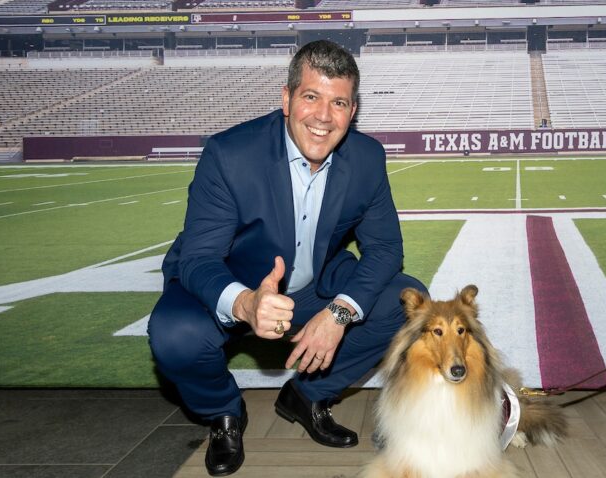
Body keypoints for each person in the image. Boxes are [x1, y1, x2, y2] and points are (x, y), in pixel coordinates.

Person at [147, 40, 426, 476]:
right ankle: (224, 413)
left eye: (338, 102)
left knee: (405, 300)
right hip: (231, 279)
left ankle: (307, 396)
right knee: (174, 335)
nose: (323, 116)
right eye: (311, 97)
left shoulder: (367, 158)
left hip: (313, 286)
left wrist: (339, 312)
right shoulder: (230, 154)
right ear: (286, 99)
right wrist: (246, 303)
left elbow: (386, 248)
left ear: (352, 111)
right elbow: (199, 257)